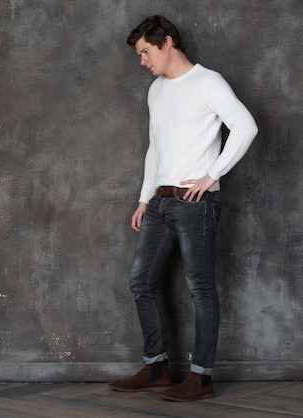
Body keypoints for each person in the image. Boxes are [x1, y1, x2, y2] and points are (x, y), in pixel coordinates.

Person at [108, 15, 258, 401]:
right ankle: (157, 367)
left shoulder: (208, 82)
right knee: (141, 281)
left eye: (145, 52)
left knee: (200, 288)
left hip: (197, 203)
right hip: (160, 202)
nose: (142, 61)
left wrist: (212, 174)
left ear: (167, 42)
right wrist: (144, 198)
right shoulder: (156, 91)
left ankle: (201, 377)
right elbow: (155, 149)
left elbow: (246, 126)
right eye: (139, 54)